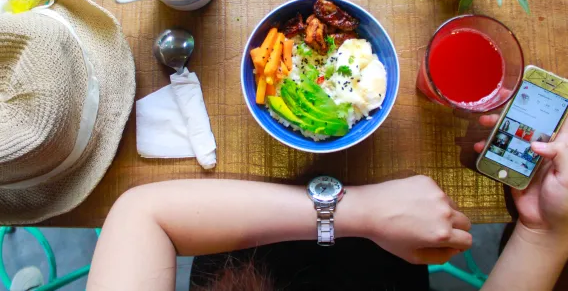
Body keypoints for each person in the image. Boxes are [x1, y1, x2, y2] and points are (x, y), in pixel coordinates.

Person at [86, 114, 568, 291]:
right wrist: (545, 230)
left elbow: (140, 215)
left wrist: (364, 212)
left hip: (234, 238)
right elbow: (544, 234)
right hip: (389, 263)